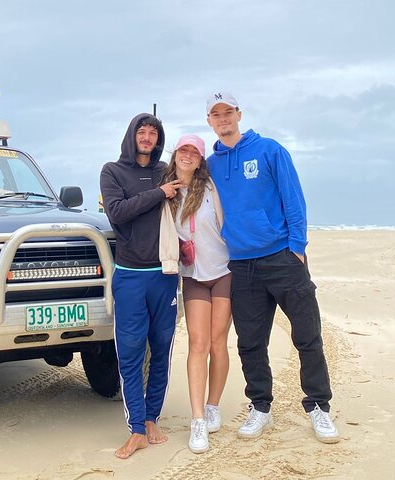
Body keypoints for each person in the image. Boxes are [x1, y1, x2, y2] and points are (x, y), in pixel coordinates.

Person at [204, 92, 340, 444]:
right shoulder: (212, 164)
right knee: (250, 343)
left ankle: (318, 408)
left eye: (228, 112)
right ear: (209, 121)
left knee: (307, 335)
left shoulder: (270, 150)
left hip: (282, 257)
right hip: (242, 264)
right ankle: (260, 407)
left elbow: (293, 198)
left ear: (238, 114)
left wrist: (297, 247)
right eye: (215, 114)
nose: (223, 119)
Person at [100, 113, 183, 459]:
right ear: (132, 135)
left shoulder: (168, 170)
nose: (147, 137)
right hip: (131, 275)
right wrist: (159, 193)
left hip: (165, 275)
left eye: (153, 132)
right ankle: (135, 428)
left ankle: (152, 418)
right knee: (131, 355)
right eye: (142, 131)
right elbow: (117, 212)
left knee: (162, 351)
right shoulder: (113, 171)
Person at [159, 134, 232, 454]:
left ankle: (213, 404)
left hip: (223, 272)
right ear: (175, 155)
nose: (188, 155)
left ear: (201, 159)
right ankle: (198, 419)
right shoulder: (167, 192)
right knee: (198, 343)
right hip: (192, 277)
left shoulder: (213, 189)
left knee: (218, 342)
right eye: (183, 150)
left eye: (194, 152)